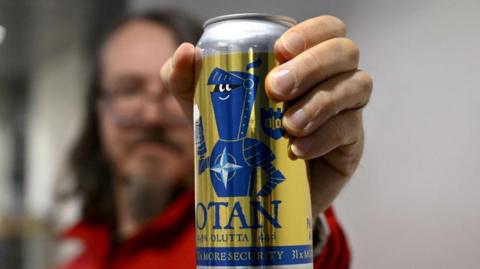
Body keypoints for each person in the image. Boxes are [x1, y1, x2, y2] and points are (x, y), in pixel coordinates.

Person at [59, 8, 372, 269]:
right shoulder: (77, 254)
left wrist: (299, 221)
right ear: (98, 107)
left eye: (167, 92)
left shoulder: (225, 243)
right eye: (129, 89)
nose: (151, 116)